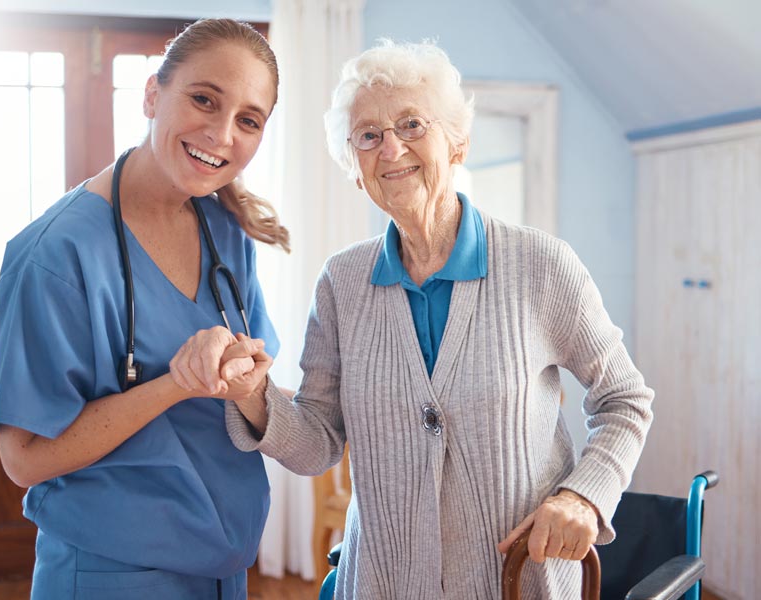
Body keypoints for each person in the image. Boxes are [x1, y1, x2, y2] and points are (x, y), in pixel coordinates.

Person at [175, 39, 655, 598]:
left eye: (411, 125)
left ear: (456, 142)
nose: (391, 149)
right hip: (381, 582)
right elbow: (319, 443)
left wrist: (583, 497)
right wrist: (252, 395)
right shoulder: (341, 283)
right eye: (369, 136)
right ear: (355, 168)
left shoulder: (540, 265)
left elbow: (625, 399)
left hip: (517, 583)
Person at [0, 19, 286, 600]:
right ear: (153, 95)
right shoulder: (54, 254)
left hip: (224, 563)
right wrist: (176, 383)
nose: (223, 134)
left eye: (248, 120)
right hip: (112, 571)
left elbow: (259, 388)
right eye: (204, 99)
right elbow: (23, 459)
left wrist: (243, 375)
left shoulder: (225, 233)